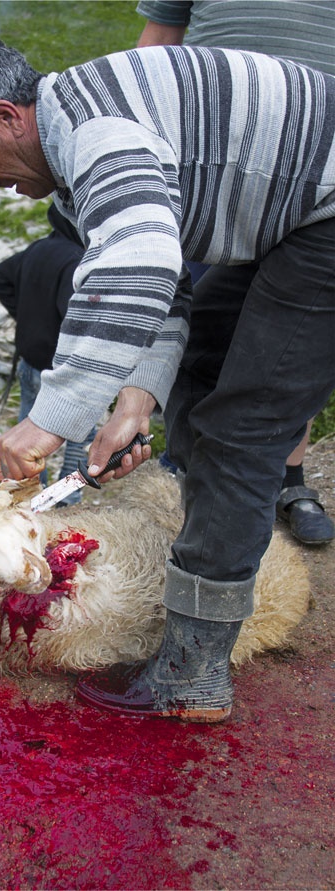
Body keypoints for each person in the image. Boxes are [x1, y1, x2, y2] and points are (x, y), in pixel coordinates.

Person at [0, 37, 335, 723]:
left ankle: (192, 671)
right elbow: (165, 292)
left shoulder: (95, 130)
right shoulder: (80, 171)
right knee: (199, 379)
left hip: (323, 215)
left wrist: (49, 419)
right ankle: (214, 577)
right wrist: (133, 405)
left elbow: (138, 263)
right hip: (289, 220)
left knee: (241, 427)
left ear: (6, 115)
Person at [136, 0, 335, 546]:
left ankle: (286, 480)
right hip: (213, 167)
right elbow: (158, 38)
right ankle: (189, 485)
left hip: (319, 168)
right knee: (198, 337)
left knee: (285, 354)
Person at [0, 203, 96, 505]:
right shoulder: (77, 260)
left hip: (29, 363)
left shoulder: (37, 249)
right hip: (60, 373)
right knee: (80, 435)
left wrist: (24, 315)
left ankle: (29, 495)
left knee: (27, 432)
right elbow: (76, 319)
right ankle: (65, 501)